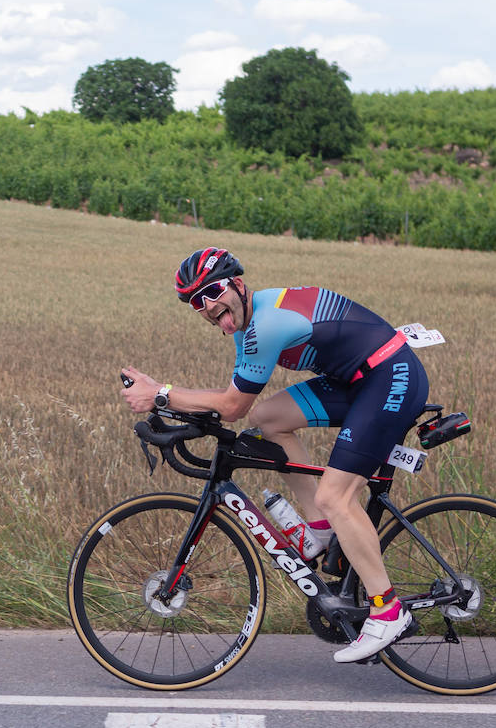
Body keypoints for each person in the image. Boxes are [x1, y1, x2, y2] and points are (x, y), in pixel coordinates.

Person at [120, 247, 429, 663]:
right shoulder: (246, 326)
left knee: (336, 496)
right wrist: (165, 397)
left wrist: (159, 392)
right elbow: (239, 405)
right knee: (271, 418)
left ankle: (388, 611)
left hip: (390, 376)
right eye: (197, 301)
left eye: (213, 291)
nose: (209, 305)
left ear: (239, 286)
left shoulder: (265, 325)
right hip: (359, 380)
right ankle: (319, 532)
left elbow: (231, 407)